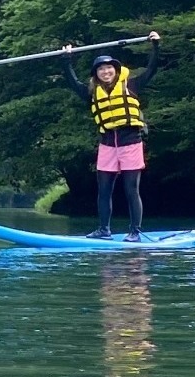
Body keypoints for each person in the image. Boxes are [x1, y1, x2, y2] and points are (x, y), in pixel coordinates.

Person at [62, 32, 161, 241]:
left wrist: (156, 46)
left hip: (131, 142)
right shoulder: (91, 92)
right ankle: (104, 230)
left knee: (131, 189)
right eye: (101, 69)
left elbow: (152, 68)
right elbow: (72, 82)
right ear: (96, 74)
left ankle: (135, 231)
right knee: (104, 190)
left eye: (109, 68)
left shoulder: (131, 85)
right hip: (107, 144)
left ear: (115, 71)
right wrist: (66, 59)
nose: (105, 72)